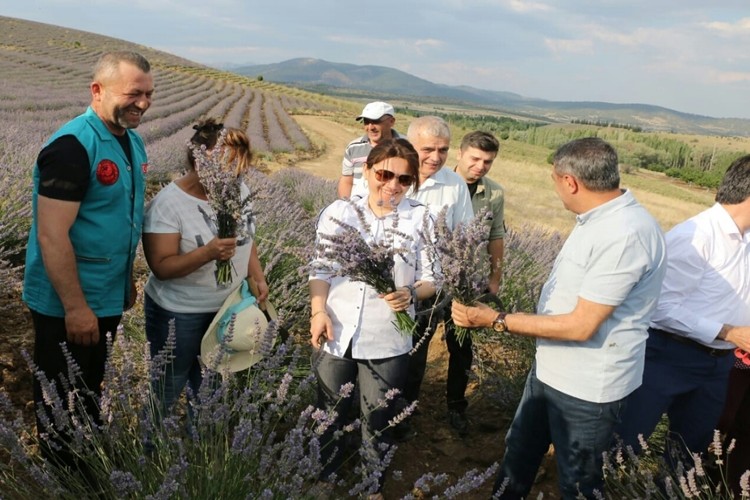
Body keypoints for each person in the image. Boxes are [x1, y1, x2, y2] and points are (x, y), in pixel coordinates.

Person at [451, 137, 667, 499]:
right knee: (518, 455)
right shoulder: (598, 219)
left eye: (554, 180)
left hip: (587, 388)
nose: (555, 189)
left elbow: (581, 325)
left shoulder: (625, 234)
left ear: (571, 182)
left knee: (578, 482)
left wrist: (495, 320)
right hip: (551, 370)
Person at [22, 51, 154, 477]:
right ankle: (64, 476)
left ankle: (88, 457)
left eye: (149, 94)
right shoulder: (71, 147)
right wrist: (76, 308)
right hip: (68, 301)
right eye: (134, 93)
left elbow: (119, 216)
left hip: (104, 292)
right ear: (97, 91)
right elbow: (51, 235)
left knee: (89, 385)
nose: (143, 103)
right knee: (60, 393)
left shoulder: (131, 140)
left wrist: (125, 280)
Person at [310, 138, 437, 499]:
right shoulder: (339, 213)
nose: (392, 185)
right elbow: (320, 269)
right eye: (384, 174)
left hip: (388, 338)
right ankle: (324, 476)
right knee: (329, 411)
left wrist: (411, 293)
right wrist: (317, 312)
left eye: (404, 179)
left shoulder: (421, 218)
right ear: (367, 171)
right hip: (336, 328)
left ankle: (372, 486)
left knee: (378, 418)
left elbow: (434, 277)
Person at [615, 154, 750, 467]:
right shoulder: (695, 236)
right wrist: (729, 331)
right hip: (666, 358)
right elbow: (659, 307)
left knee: (689, 455)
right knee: (624, 446)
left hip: (718, 365)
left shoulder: (745, 240)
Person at [142, 119, 269, 418]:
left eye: (239, 167)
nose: (232, 174)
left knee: (208, 387)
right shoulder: (168, 204)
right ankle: (149, 449)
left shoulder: (238, 191)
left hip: (226, 308)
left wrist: (257, 276)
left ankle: (198, 450)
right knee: (168, 386)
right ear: (199, 161)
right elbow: (161, 267)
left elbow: (247, 239)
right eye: (225, 165)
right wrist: (207, 253)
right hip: (179, 313)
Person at [396, 115, 474, 440]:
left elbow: (467, 234)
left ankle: (441, 410)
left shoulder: (454, 185)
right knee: (406, 350)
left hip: (445, 284)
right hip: (405, 285)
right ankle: (397, 412)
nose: (436, 157)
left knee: (443, 349)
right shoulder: (396, 176)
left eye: (443, 149)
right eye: (428, 149)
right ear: (411, 146)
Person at [442, 131, 505, 436]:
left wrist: (494, 278)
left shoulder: (493, 194)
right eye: (475, 158)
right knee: (416, 342)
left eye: (488, 161)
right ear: (460, 154)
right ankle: (404, 403)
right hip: (431, 278)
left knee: (461, 347)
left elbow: (496, 237)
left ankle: (455, 407)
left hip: (467, 282)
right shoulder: (437, 182)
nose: (481, 166)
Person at [337, 101, 401, 199]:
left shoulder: (407, 147)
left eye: (376, 121)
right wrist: (347, 206)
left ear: (391, 121)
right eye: (366, 122)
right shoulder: (353, 148)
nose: (370, 127)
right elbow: (347, 180)